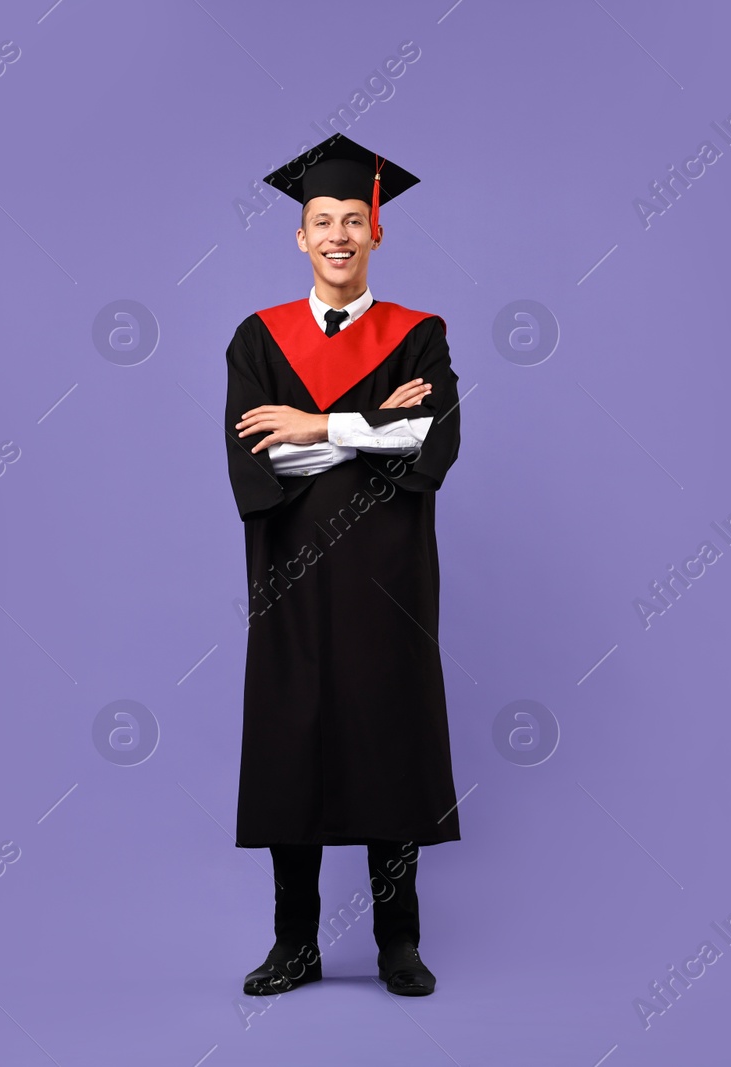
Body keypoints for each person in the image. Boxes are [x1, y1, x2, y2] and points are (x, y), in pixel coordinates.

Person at [222, 133, 462, 998]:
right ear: (299, 236)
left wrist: (317, 423)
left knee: (387, 740)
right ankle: (296, 943)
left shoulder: (418, 334)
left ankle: (398, 943)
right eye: (321, 220)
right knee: (294, 748)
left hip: (388, 581)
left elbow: (432, 439)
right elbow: (259, 460)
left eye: (353, 220)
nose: (337, 235)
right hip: (290, 576)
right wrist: (368, 426)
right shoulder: (258, 338)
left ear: (376, 235)